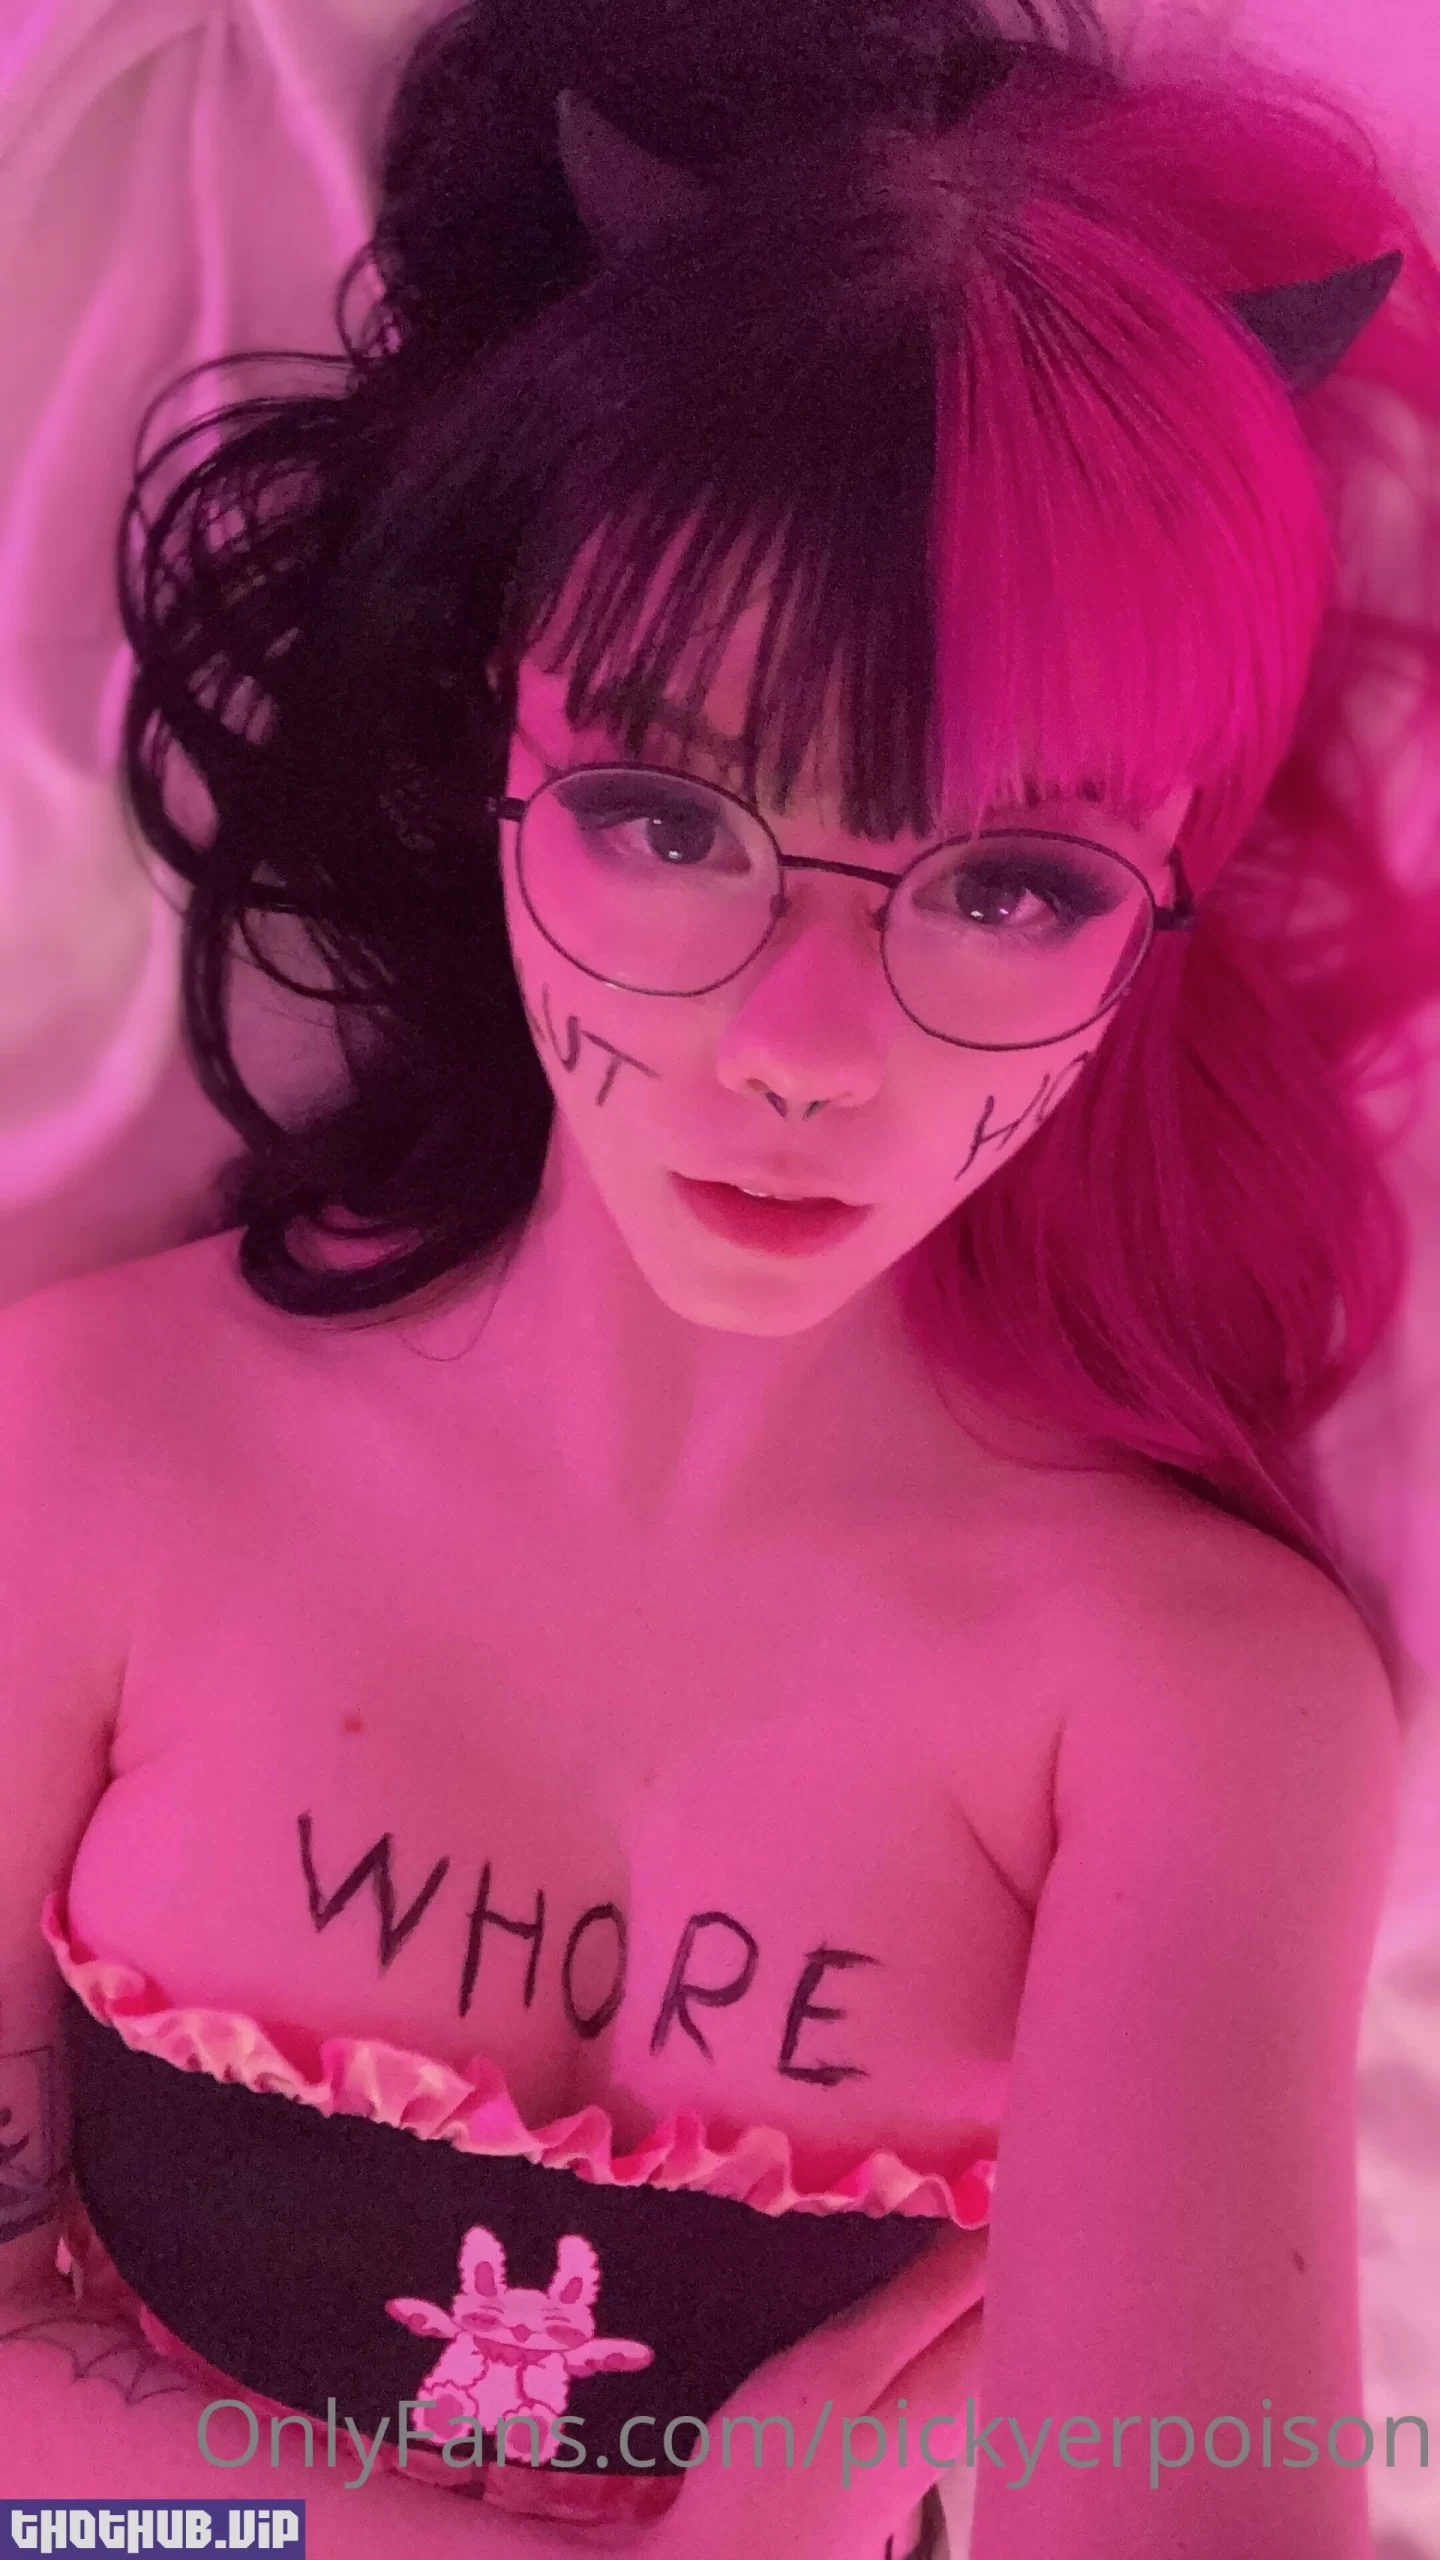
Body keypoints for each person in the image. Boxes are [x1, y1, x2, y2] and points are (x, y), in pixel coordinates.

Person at [3, 2, 1439, 2553]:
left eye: (1011, 884)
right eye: (674, 816)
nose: (801, 1047)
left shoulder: (1201, 1706)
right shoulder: (83, 1450)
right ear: (498, 744)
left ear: (1163, 900)